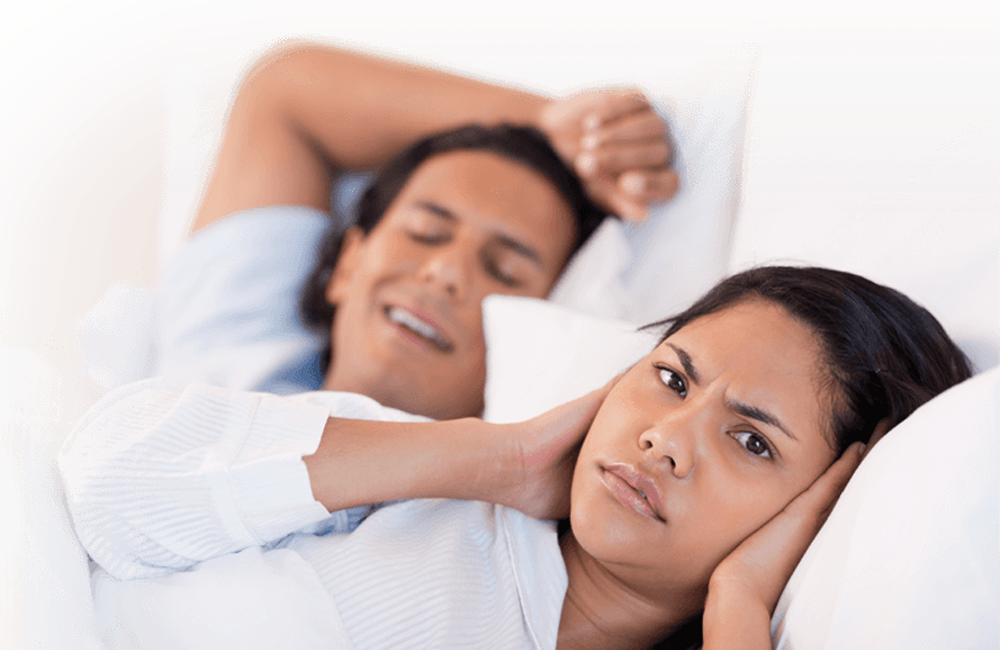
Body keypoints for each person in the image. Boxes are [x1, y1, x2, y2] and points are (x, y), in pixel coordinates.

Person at [59, 265, 972, 649]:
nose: (666, 437)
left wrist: (739, 608)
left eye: (751, 439)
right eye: (670, 377)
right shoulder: (424, 481)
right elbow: (100, 488)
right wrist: (492, 456)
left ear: (822, 510)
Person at [158, 38, 678, 419]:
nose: (446, 271)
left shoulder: (489, 521)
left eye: (504, 270)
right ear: (348, 263)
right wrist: (547, 122)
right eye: (426, 232)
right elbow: (282, 96)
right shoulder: (227, 369)